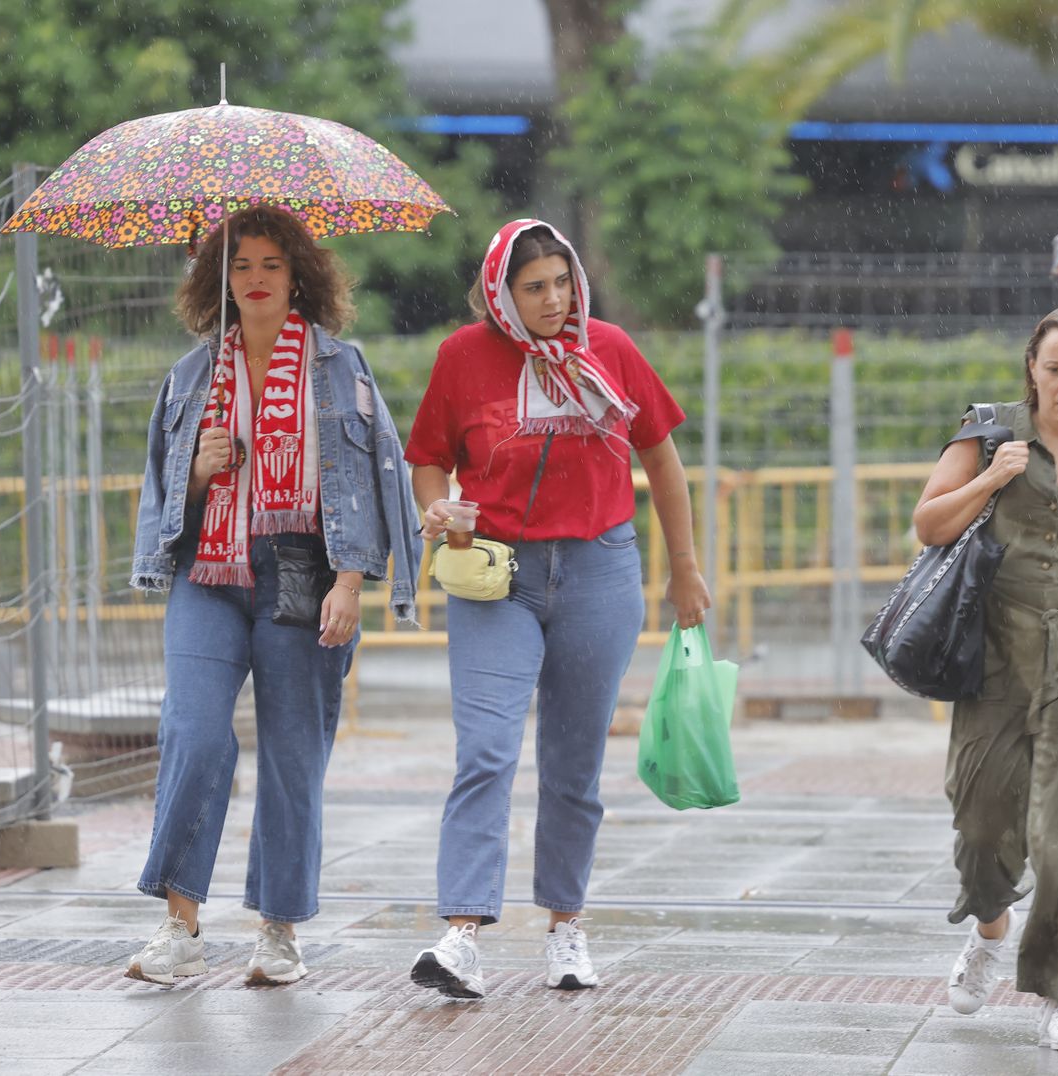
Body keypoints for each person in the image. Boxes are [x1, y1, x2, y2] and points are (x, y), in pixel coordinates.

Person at [403, 218, 709, 999]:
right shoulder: (461, 357)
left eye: (561, 282)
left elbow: (663, 459)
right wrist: (440, 511)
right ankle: (462, 934)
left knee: (574, 766)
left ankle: (566, 929)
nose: (552, 299)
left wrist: (686, 570)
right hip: (495, 574)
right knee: (487, 750)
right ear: (500, 292)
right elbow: (430, 459)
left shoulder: (609, 348)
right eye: (533, 286)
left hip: (599, 571)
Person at [126, 205, 421, 985]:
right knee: (194, 734)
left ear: (299, 277)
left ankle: (279, 931)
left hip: (305, 572)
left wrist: (352, 582)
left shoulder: (341, 368)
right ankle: (181, 925)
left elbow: (365, 479)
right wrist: (199, 468)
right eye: (241, 266)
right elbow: (160, 498)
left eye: (270, 265)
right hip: (209, 574)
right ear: (217, 279)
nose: (255, 280)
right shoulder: (192, 376)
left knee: (293, 758)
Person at [914, 306, 1058, 1052]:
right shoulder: (988, 430)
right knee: (982, 826)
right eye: (1056, 369)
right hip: (996, 648)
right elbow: (929, 523)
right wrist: (991, 478)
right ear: (1032, 369)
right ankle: (989, 929)